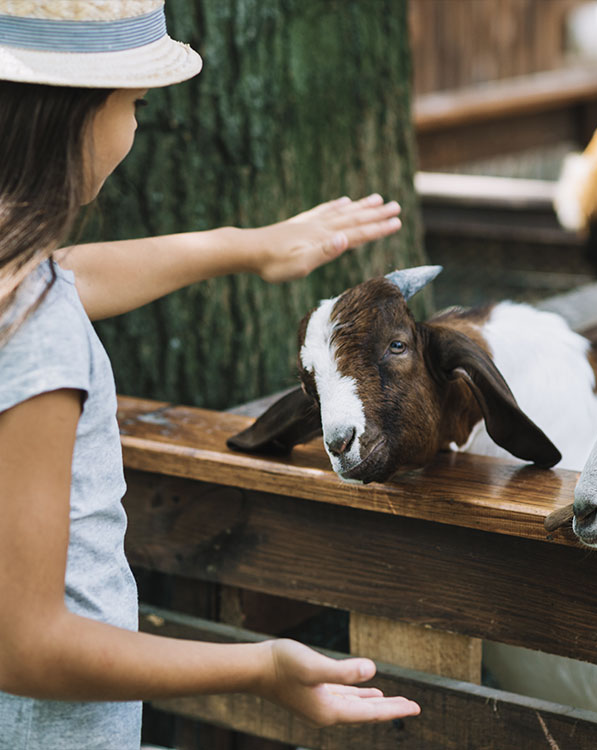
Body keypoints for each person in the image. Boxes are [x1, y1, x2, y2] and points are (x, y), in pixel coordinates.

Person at [0, 2, 421, 747]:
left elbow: (66, 276)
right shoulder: (35, 331)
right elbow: (26, 646)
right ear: (73, 117)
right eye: (132, 103)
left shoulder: (20, 287)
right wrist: (257, 670)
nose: (134, 126)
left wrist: (248, 247)